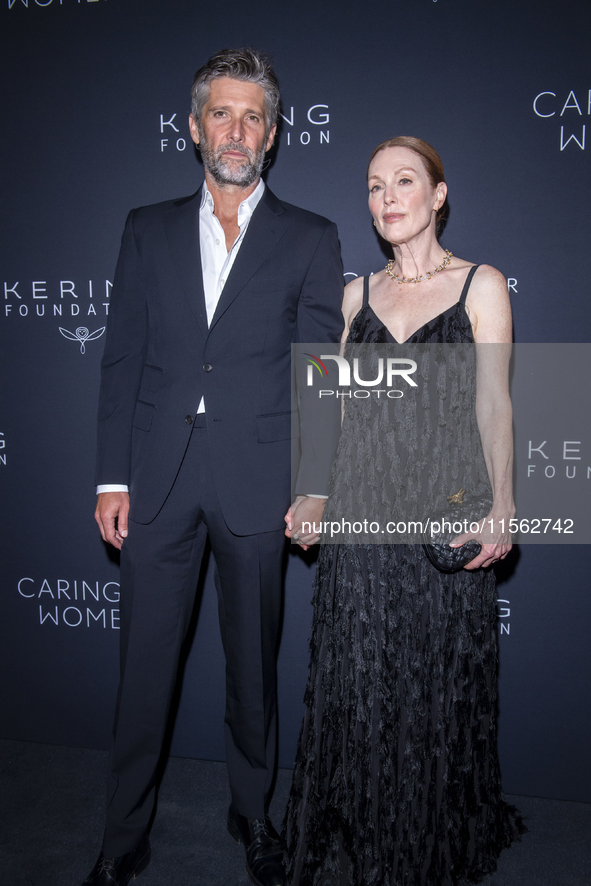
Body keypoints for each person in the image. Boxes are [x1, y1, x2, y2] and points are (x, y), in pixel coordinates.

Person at [85, 48, 343, 886]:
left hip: (258, 482)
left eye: (253, 117)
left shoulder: (311, 236)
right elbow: (122, 359)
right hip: (156, 481)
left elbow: (318, 369)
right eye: (221, 114)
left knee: (251, 667)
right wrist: (111, 478)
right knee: (142, 671)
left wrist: (312, 484)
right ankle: (123, 834)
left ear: (272, 137)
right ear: (194, 128)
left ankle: (253, 811)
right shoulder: (145, 227)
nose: (236, 131)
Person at [283, 137, 524, 885]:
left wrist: (503, 508)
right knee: (361, 685)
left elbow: (493, 403)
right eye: (373, 185)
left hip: (443, 510)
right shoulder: (353, 297)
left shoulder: (479, 286)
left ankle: (424, 836)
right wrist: (315, 489)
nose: (386, 197)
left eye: (404, 181)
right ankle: (363, 820)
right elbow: (331, 411)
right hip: (362, 516)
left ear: (437, 195)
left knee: (432, 690)